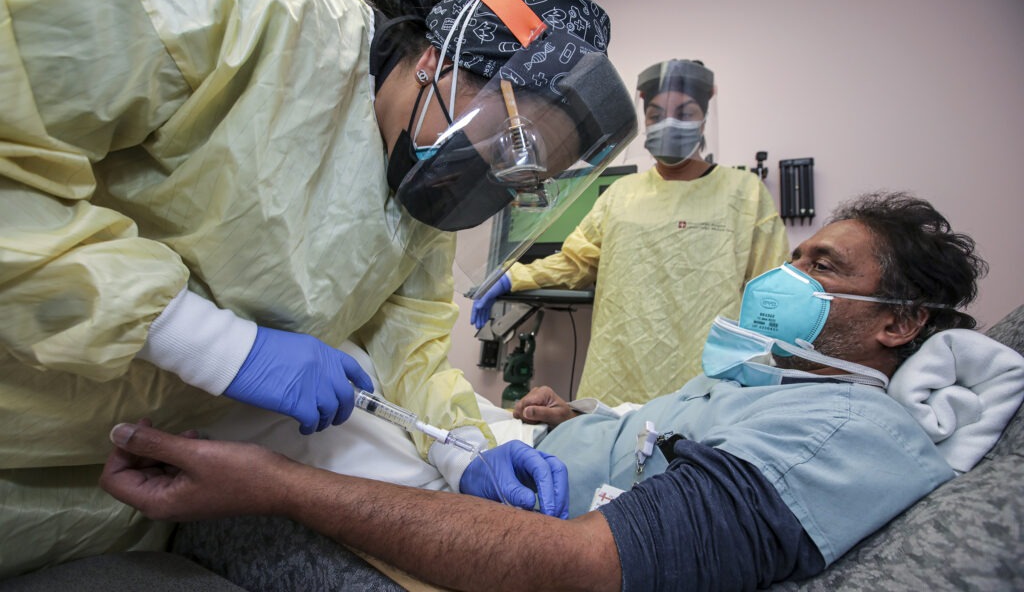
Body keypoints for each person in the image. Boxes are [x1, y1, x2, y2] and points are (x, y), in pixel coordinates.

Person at [0, 0, 637, 576]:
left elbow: (409, 349)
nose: (496, 176)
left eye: (523, 172)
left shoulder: (419, 206)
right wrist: (216, 345)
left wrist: (463, 451)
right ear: (441, 58)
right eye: (512, 141)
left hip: (122, 475)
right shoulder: (239, 0)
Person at [101, 191, 1005, 591]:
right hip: (524, 455)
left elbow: (577, 566)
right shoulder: (779, 384)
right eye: (795, 258)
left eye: (823, 266)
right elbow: (670, 442)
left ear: (898, 322)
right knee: (332, 370)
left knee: (255, 420)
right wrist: (580, 419)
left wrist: (276, 486)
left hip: (519, 509)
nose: (788, 276)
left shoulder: (847, 430)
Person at [471, 58, 790, 405]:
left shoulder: (744, 192)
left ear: (704, 118)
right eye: (655, 115)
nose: (667, 124)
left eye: (684, 113)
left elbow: (772, 293)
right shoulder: (622, 194)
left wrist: (762, 380)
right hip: (616, 381)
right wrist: (511, 277)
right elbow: (574, 263)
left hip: (707, 388)